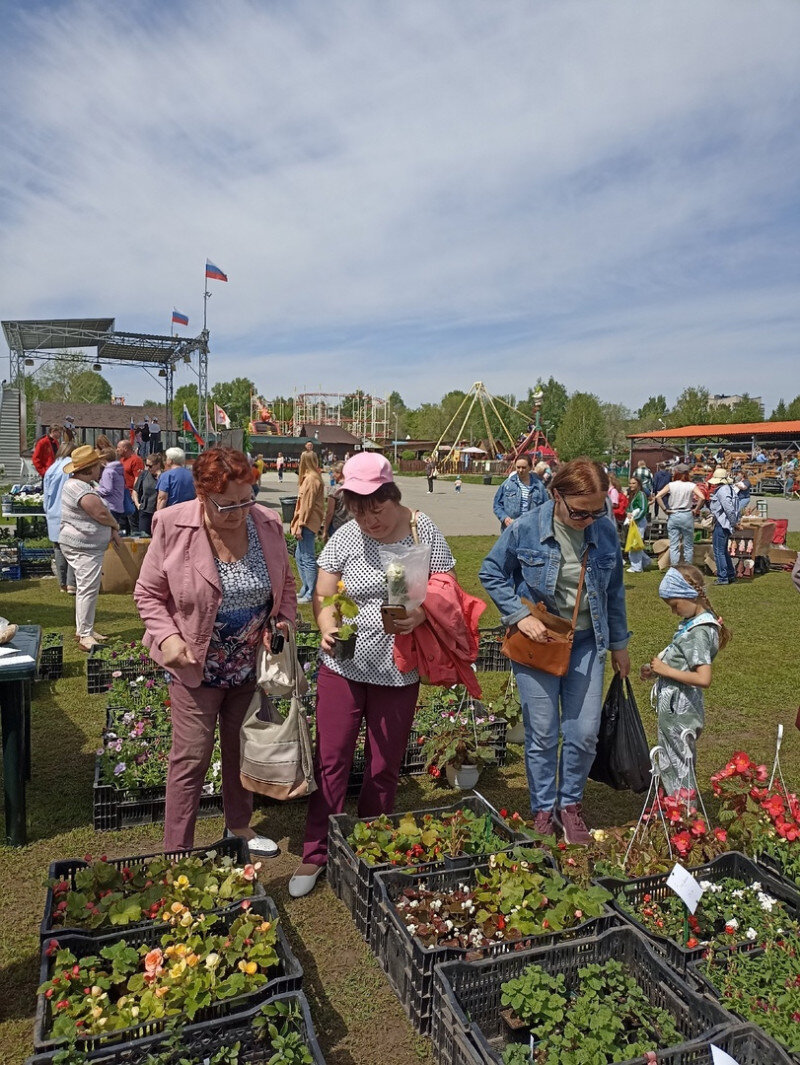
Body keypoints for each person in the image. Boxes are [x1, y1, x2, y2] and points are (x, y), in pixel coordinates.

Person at [289, 453, 456, 897]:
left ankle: (368, 844)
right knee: (332, 759)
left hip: (398, 669)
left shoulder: (424, 530)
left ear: (392, 494)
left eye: (375, 509)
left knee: (384, 764)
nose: (367, 521)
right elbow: (324, 591)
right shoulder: (346, 536)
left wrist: (421, 616)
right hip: (344, 665)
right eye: (357, 511)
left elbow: (446, 590)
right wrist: (327, 626)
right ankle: (316, 851)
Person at [134, 446, 297, 853]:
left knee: (242, 750)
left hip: (249, 667)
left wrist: (282, 623)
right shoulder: (174, 526)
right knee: (190, 760)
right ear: (203, 496)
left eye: (248, 499)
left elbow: (287, 586)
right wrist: (168, 638)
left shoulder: (267, 524)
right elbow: (148, 594)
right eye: (229, 505)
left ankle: (239, 826)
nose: (241, 512)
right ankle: (177, 852)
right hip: (195, 668)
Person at [479, 458, 630, 844]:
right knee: (543, 734)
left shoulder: (605, 532)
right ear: (555, 495)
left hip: (586, 644)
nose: (589, 520)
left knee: (583, 734)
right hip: (537, 646)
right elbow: (491, 572)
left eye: (598, 510)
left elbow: (613, 592)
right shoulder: (527, 528)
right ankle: (544, 810)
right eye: (581, 512)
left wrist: (619, 644)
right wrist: (517, 615)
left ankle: (570, 806)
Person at [641, 565, 730, 798]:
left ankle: (684, 817)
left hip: (681, 711)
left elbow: (703, 678)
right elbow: (682, 660)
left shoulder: (700, 631)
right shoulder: (695, 624)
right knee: (671, 760)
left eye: (674, 605)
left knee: (679, 764)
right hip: (675, 710)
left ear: (689, 594)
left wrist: (666, 670)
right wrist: (656, 670)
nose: (673, 612)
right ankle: (673, 811)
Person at [59, 445, 122, 651]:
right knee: (87, 588)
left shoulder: (80, 484)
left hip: (85, 544)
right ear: (90, 468)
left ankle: (84, 629)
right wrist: (114, 525)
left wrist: (110, 528)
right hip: (83, 546)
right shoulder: (79, 487)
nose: (101, 468)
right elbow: (100, 513)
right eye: (97, 465)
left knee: (88, 588)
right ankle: (85, 635)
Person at [43, 439, 77, 594]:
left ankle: (62, 583)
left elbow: (46, 494)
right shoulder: (72, 466)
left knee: (58, 548)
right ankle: (72, 584)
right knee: (73, 548)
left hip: (53, 512)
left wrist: (47, 510)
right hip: (68, 510)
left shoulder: (51, 468)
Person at [291, 451, 325, 604]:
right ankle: (306, 588)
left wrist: (300, 524)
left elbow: (307, 505)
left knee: (307, 557)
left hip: (307, 523)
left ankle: (311, 593)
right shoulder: (310, 478)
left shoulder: (311, 479)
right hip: (307, 522)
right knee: (299, 556)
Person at [654, 464, 705, 566]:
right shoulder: (691, 485)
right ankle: (687, 566)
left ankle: (675, 567)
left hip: (674, 514)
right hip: (686, 514)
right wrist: (696, 509)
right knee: (688, 545)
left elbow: (658, 496)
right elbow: (702, 497)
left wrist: (665, 509)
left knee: (674, 545)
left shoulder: (671, 485)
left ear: (677, 473)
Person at [709, 477, 750, 585]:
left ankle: (723, 577)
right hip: (726, 524)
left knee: (719, 552)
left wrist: (733, 523)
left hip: (722, 524)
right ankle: (731, 574)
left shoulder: (722, 490)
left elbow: (728, 508)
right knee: (723, 551)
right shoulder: (729, 489)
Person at [493, 456, 548, 533]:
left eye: (524, 467)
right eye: (518, 467)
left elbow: (547, 508)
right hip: (510, 529)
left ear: (530, 467)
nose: (521, 470)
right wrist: (505, 518)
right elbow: (497, 505)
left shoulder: (539, 487)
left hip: (531, 530)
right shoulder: (507, 484)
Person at [95, 446, 128, 533]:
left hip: (110, 505)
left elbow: (107, 489)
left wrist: (95, 489)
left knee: (109, 533)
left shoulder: (108, 471)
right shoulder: (118, 469)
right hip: (118, 505)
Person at [132, 452, 163, 536]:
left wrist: (159, 476)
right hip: (144, 510)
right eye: (146, 465)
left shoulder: (163, 477)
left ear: (158, 465)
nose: (148, 468)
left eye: (150, 466)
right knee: (143, 535)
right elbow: (135, 490)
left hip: (157, 511)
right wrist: (137, 504)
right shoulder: (144, 474)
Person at [624, 476, 651, 573]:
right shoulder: (633, 494)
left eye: (633, 483)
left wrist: (635, 518)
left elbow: (644, 509)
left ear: (638, 484)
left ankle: (637, 567)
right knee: (635, 542)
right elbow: (629, 507)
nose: (631, 485)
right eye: (630, 483)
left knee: (635, 543)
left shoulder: (641, 494)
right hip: (633, 521)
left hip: (638, 521)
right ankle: (646, 561)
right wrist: (628, 513)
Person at [116, 439, 144, 532]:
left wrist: (134, 494)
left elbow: (138, 478)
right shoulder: (122, 460)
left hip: (130, 496)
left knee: (133, 522)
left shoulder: (136, 460)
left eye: (118, 448)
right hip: (122, 495)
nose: (117, 450)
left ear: (125, 448)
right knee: (123, 523)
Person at [323, 461, 349, 541]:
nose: (332, 475)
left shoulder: (334, 490)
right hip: (351, 526)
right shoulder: (353, 489)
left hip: (337, 527)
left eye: (333, 472)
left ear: (339, 473)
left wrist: (325, 530)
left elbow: (330, 512)